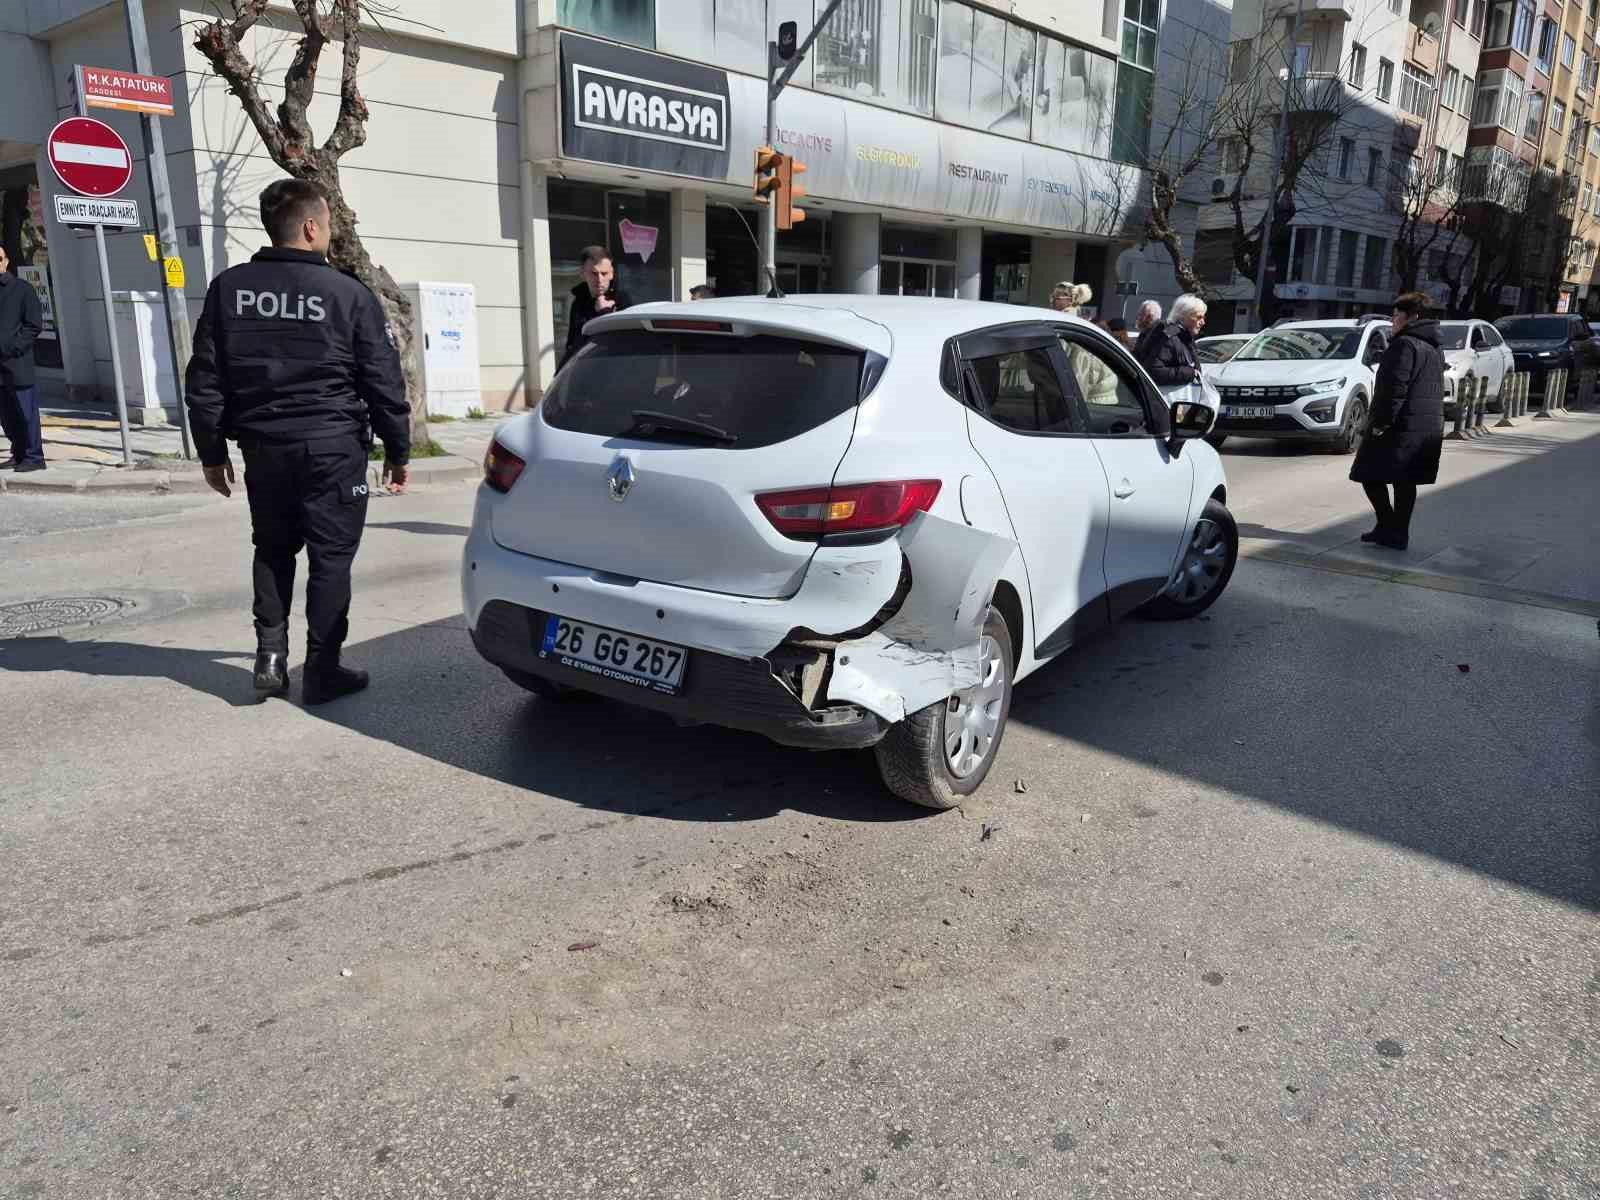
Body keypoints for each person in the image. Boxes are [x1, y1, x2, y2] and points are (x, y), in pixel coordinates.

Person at [185, 178, 410, 705]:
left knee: (273, 547)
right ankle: (324, 669)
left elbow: (206, 378)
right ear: (311, 228)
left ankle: (270, 656)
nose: (329, 233)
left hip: (264, 447)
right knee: (330, 560)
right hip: (332, 448)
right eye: (327, 224)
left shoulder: (229, 288)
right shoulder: (348, 293)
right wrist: (398, 450)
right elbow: (383, 380)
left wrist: (212, 452)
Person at [1349, 291, 1445, 551]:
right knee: (1405, 482)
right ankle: (1394, 532)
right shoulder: (1434, 345)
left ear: (1412, 317)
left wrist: (1381, 422)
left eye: (1396, 316)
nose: (1393, 321)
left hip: (1400, 426)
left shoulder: (1405, 345)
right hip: (1424, 427)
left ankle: (1388, 525)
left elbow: (1394, 389)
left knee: (1368, 474)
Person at [0, 243, 45, 472]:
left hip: (17, 363)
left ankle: (34, 457)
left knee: (26, 413)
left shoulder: (22, 289)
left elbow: (33, 325)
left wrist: (13, 347)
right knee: (7, 417)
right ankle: (18, 454)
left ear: (6, 261)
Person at [562, 245, 630, 367]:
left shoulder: (623, 301)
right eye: (594, 273)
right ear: (583, 274)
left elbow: (622, 345)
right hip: (581, 372)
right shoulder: (578, 302)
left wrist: (605, 313)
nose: (599, 279)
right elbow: (573, 344)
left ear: (612, 274)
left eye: (604, 273)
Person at [1138, 293, 1206, 388]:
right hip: (1164, 399)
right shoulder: (1169, 335)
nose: (1203, 322)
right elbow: (1153, 371)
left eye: (1203, 317)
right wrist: (1189, 373)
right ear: (1184, 316)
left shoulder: (1184, 336)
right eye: (1199, 317)